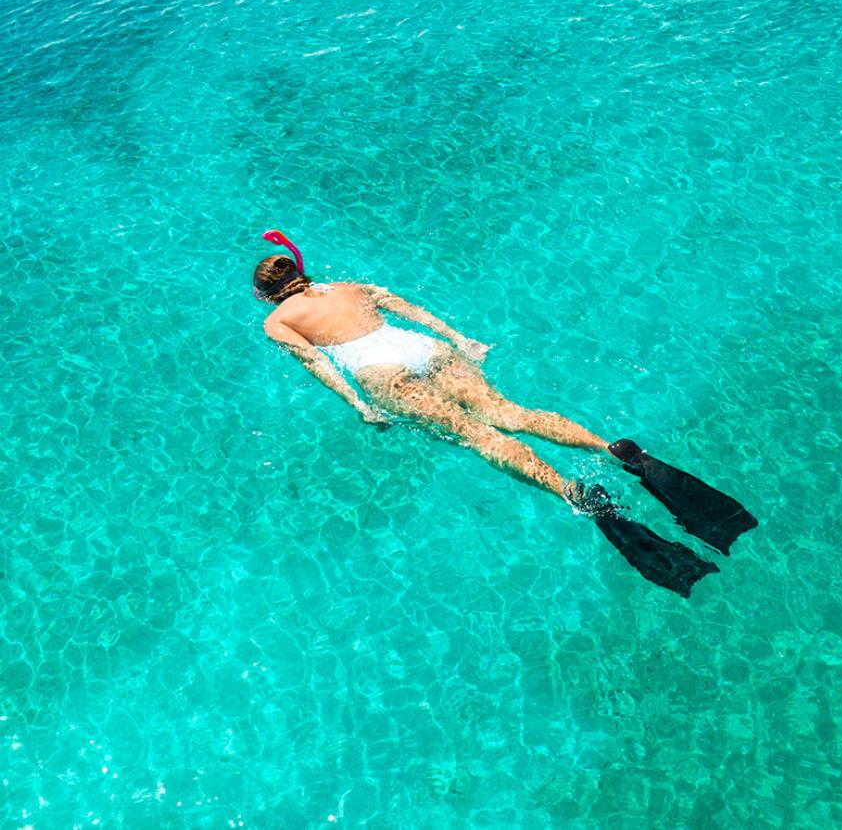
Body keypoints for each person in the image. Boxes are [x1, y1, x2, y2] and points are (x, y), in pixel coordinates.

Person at [253, 231, 757, 597]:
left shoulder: (277, 321)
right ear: (300, 273)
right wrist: (459, 339)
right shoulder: (348, 287)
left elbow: (316, 361)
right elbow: (407, 309)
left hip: (382, 372)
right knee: (508, 411)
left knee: (477, 435)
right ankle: (618, 452)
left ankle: (574, 492)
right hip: (421, 349)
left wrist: (360, 405)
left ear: (265, 294)